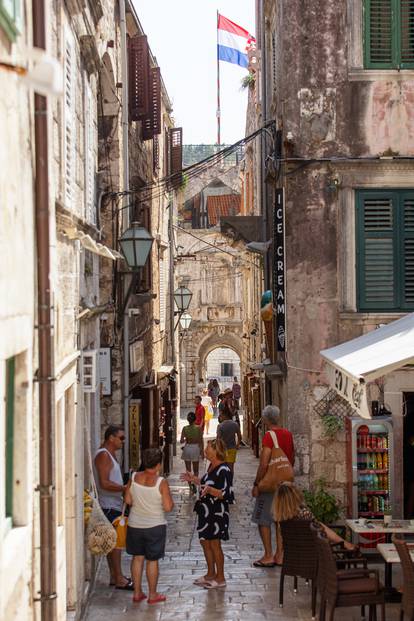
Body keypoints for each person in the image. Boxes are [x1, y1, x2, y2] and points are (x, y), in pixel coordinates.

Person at [181, 439, 234, 589]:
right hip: (205, 511)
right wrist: (194, 480)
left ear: (216, 450)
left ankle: (221, 577)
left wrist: (211, 491)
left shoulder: (224, 469)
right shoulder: (211, 466)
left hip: (217, 512)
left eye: (208, 448)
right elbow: (206, 483)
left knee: (215, 544)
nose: (205, 451)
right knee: (205, 541)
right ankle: (210, 573)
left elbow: (227, 494)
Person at [125, 448, 174, 605]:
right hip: (155, 525)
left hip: (135, 524)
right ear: (158, 465)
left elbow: (128, 500)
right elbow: (167, 507)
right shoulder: (161, 483)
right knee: (152, 560)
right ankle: (152, 595)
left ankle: (137, 593)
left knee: (137, 558)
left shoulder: (133, 477)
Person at [251, 405, 294, 568]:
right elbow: (292, 458)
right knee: (280, 519)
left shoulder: (269, 436)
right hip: (286, 483)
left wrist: (257, 483)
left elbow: (263, 463)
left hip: (270, 484)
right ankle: (280, 555)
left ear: (266, 419)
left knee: (263, 519)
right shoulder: (288, 434)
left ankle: (268, 555)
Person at [94, 425, 133, 590]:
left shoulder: (109, 454)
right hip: (108, 506)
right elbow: (104, 483)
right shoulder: (104, 455)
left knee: (112, 544)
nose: (123, 441)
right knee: (116, 544)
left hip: (113, 504)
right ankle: (119, 578)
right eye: (121, 438)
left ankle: (115, 576)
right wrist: (124, 488)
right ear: (111, 438)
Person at [273, 481, 357, 551]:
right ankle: (346, 544)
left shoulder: (280, 518)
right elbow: (319, 532)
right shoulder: (304, 513)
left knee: (319, 526)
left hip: (295, 554)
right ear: (294, 495)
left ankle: (345, 544)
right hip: (313, 552)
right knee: (321, 527)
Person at [180, 411, 204, 492]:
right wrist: (202, 452)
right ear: (195, 419)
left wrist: (186, 438)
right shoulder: (198, 428)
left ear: (187, 420)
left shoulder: (185, 428)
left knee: (188, 470)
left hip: (187, 448)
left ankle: (190, 487)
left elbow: (181, 441)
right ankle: (194, 483)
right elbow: (201, 441)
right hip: (195, 448)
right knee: (196, 470)